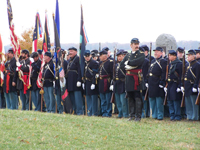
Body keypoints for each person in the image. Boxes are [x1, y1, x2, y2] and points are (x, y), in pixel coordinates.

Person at [120, 38, 145, 121]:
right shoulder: (128, 55)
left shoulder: (141, 54)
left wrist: (129, 64)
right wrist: (128, 66)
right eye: (135, 44)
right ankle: (132, 115)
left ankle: (138, 116)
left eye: (137, 44)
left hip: (137, 78)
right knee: (130, 96)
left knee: (137, 97)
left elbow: (138, 62)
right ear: (131, 45)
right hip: (129, 78)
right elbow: (121, 65)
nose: (137, 45)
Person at [146, 47, 167, 120]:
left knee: (159, 100)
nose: (155, 53)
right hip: (151, 81)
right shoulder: (153, 61)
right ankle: (154, 115)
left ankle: (160, 115)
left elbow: (164, 72)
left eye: (157, 52)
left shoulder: (163, 61)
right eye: (155, 51)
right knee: (152, 99)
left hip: (158, 81)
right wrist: (147, 81)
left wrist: (162, 82)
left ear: (161, 53)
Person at [182, 49, 200, 121]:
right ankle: (189, 116)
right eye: (188, 55)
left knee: (193, 102)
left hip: (192, 85)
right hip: (187, 85)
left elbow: (198, 76)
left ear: (194, 56)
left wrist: (195, 85)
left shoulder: (197, 65)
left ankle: (195, 116)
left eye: (189, 55)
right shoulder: (187, 65)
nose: (188, 57)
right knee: (188, 101)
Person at [165, 50, 182, 121]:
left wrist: (179, 86)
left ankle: (177, 115)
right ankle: (172, 115)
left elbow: (181, 75)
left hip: (176, 83)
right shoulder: (170, 64)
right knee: (170, 100)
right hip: (170, 83)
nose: (169, 57)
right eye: (169, 55)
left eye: (170, 55)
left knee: (175, 100)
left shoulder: (179, 64)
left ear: (175, 56)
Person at [66, 47, 83, 115]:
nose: (70, 52)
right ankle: (74, 111)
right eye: (69, 51)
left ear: (76, 52)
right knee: (72, 98)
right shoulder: (70, 60)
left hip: (76, 81)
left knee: (77, 99)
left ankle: (79, 111)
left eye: (72, 51)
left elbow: (80, 70)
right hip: (70, 82)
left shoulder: (78, 59)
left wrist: (79, 80)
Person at [111, 49, 128, 118]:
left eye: (120, 56)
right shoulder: (116, 65)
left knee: (123, 101)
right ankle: (120, 113)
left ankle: (125, 114)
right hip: (116, 84)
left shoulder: (125, 64)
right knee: (117, 101)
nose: (119, 58)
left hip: (123, 84)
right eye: (118, 56)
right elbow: (114, 75)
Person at [82, 50, 99, 116]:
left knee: (93, 99)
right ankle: (89, 112)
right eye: (86, 57)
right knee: (88, 98)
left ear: (90, 56)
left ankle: (94, 113)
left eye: (88, 56)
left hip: (92, 82)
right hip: (87, 82)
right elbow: (83, 73)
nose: (87, 58)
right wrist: (83, 82)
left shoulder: (94, 63)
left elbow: (95, 74)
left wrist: (94, 83)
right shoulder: (84, 63)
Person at [98, 49, 113, 117]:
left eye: (100, 56)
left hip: (107, 82)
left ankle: (108, 113)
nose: (99, 57)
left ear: (105, 56)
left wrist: (112, 83)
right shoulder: (100, 63)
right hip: (101, 82)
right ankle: (103, 112)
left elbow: (112, 74)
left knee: (108, 99)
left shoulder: (110, 62)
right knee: (103, 99)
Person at [55, 49, 68, 114]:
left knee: (62, 98)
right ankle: (59, 110)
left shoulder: (65, 62)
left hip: (62, 83)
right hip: (57, 82)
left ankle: (63, 110)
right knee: (58, 98)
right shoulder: (57, 62)